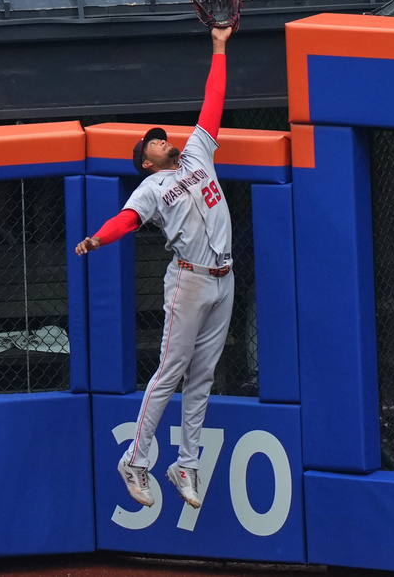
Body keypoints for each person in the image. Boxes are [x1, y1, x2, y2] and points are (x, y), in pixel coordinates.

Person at [75, 26, 235, 509]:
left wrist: (220, 44)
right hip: (187, 278)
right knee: (170, 373)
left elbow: (214, 98)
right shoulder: (149, 187)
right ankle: (135, 460)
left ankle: (185, 464)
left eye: (161, 139)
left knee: (202, 376)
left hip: (224, 278)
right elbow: (127, 219)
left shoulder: (198, 153)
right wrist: (99, 237)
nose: (162, 141)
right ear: (145, 162)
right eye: (154, 143)